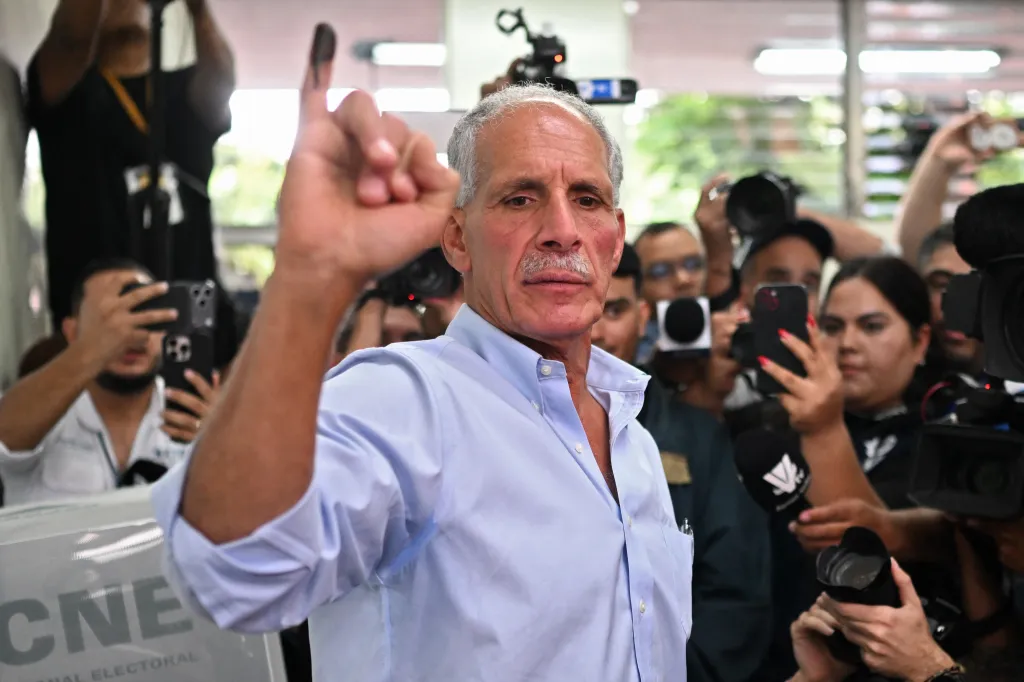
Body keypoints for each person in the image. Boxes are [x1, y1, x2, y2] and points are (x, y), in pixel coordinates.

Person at [150, 40, 691, 682]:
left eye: (588, 199)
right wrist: (310, 278)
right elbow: (236, 575)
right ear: (456, 238)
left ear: (616, 237)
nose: (562, 229)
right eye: (520, 198)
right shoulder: (406, 400)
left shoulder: (635, 441)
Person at [594, 243, 771, 682]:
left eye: (612, 310)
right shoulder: (512, 428)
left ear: (643, 316)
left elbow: (735, 596)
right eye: (581, 307)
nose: (594, 330)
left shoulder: (699, 436)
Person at [27, 0, 238, 366]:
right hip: (95, 328)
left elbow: (221, 82)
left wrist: (198, 8)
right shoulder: (70, 92)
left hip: (189, 323)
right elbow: (70, 39)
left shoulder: (184, 90)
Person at [0, 259, 220, 506]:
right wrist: (94, 349)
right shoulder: (41, 415)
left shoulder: (195, 414)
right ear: (73, 332)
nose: (132, 334)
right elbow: (5, 434)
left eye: (146, 315)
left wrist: (220, 446)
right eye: (110, 320)